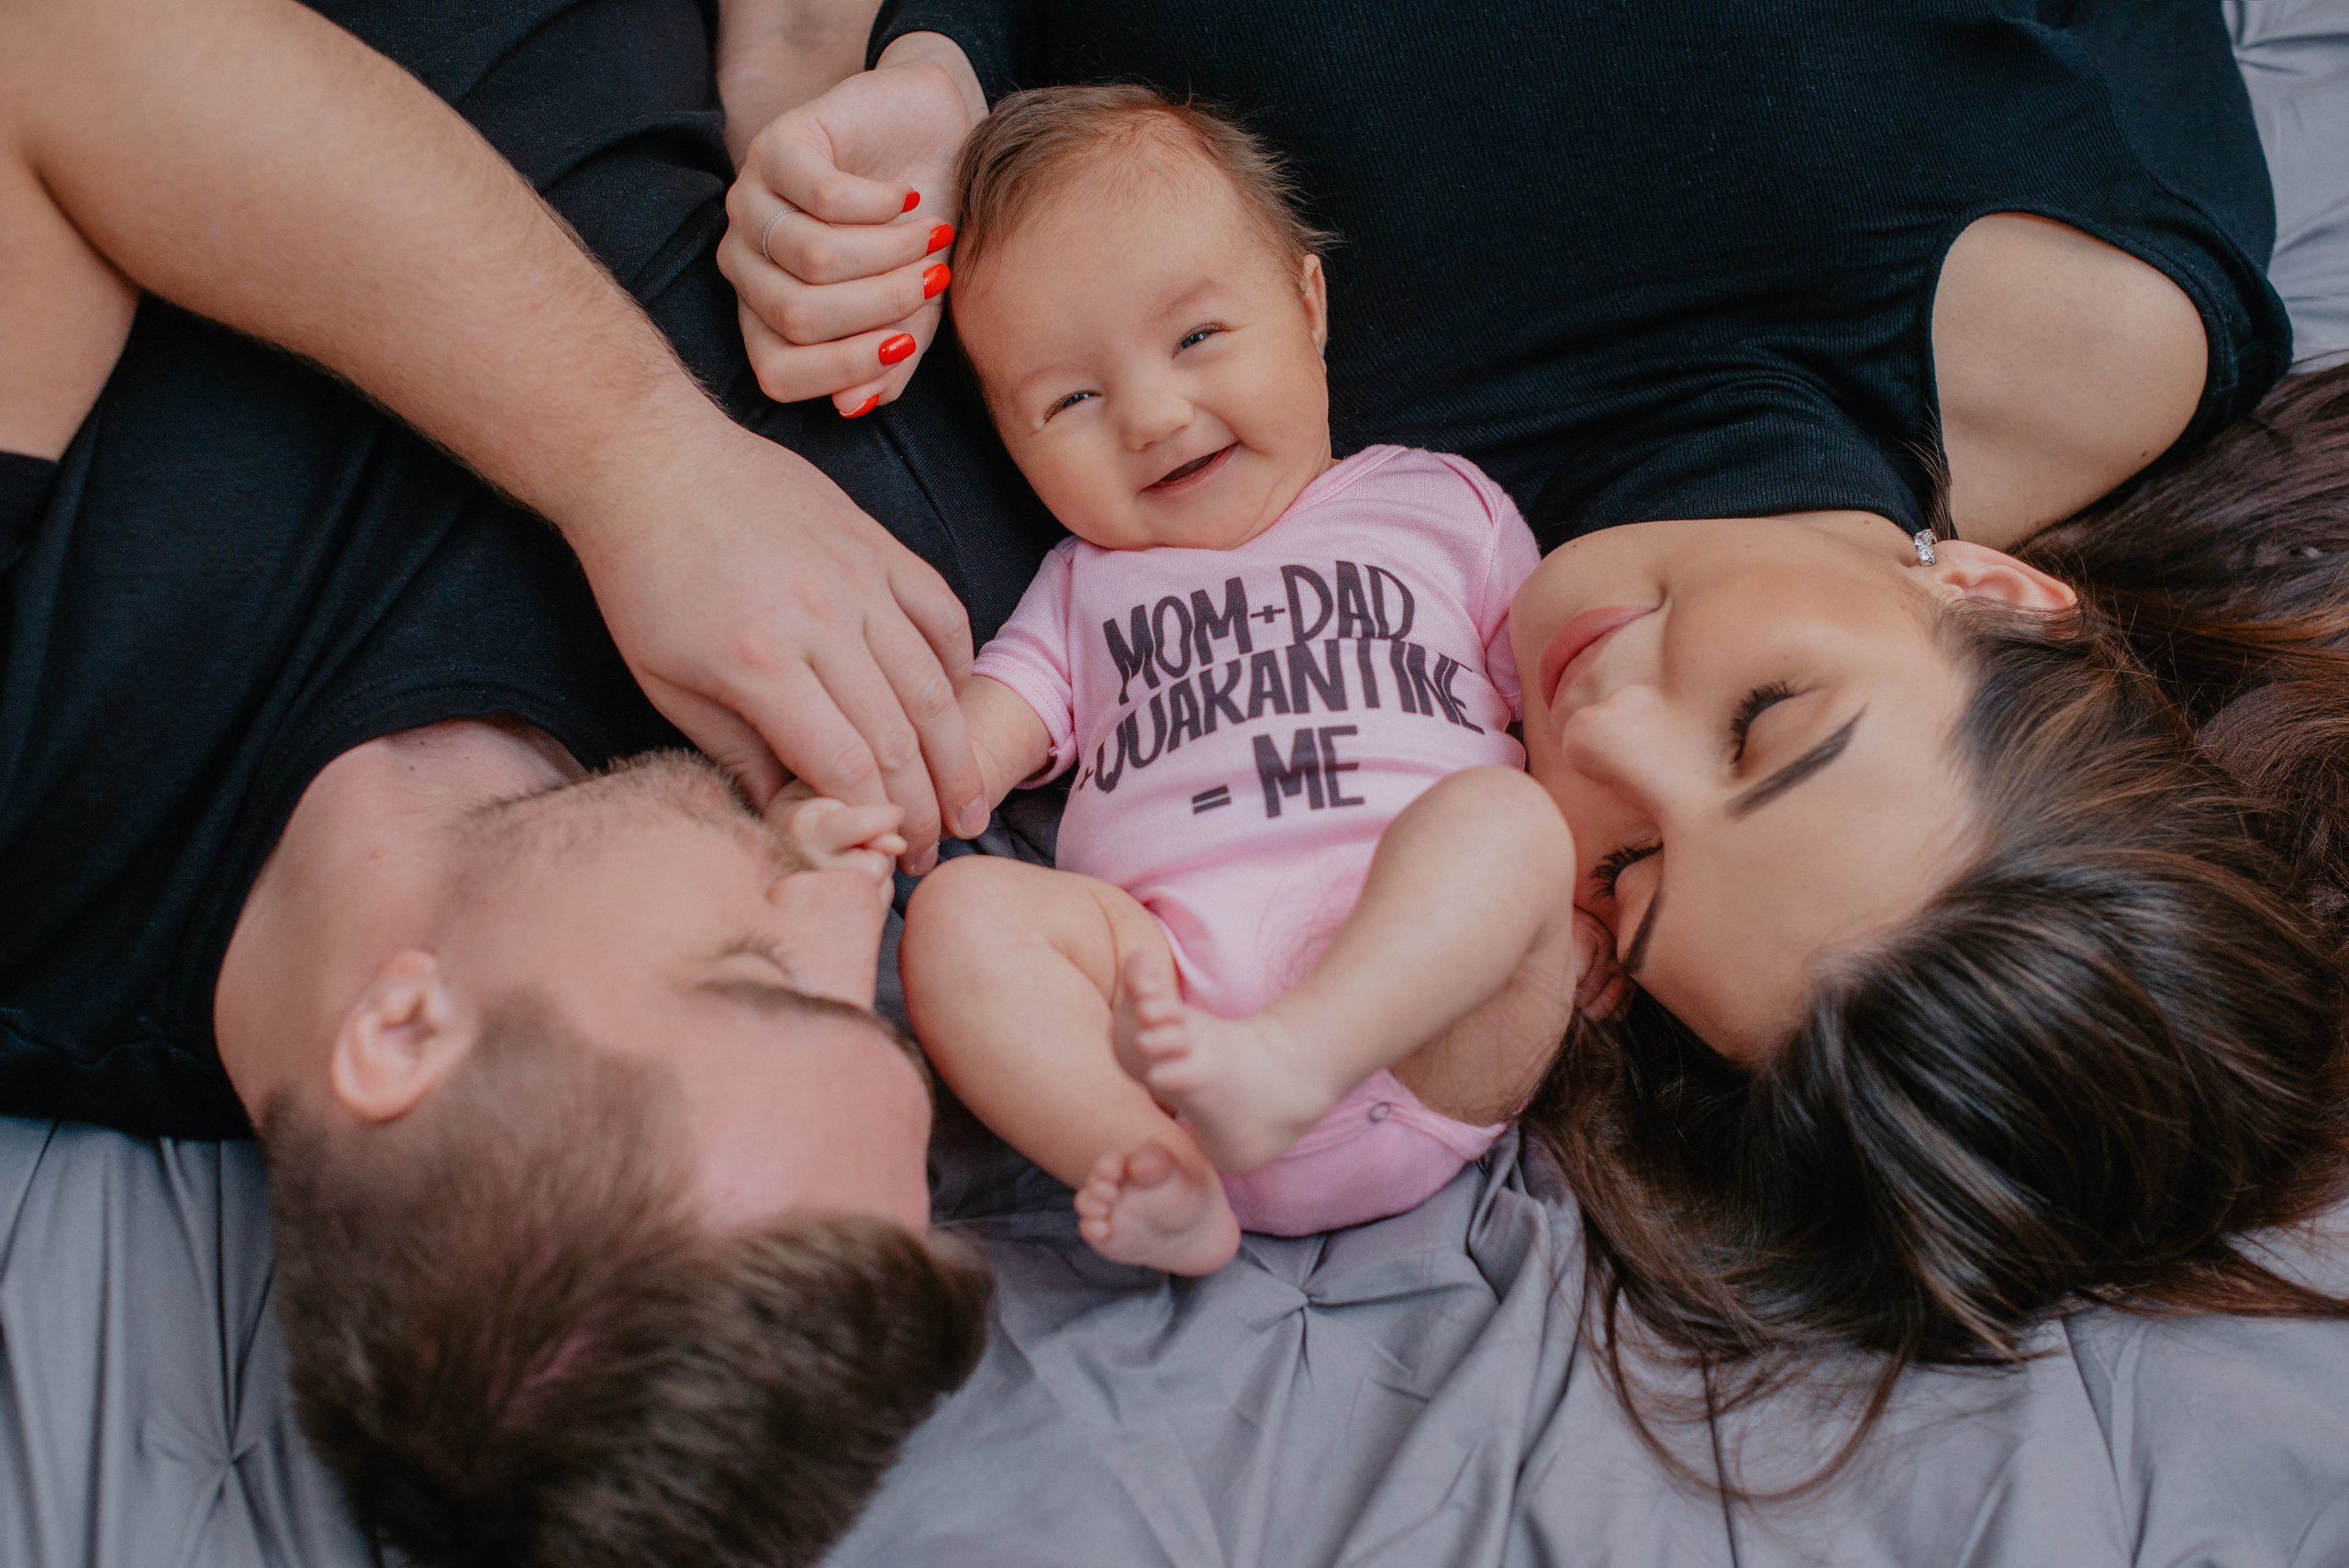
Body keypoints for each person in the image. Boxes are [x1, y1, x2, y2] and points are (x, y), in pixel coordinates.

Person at [720, 0, 2349, 1455]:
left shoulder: (1216, 498)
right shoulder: (2110, 321)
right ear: (1999, 592)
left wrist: (930, 82)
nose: (1604, 722)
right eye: (1769, 722)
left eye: (1630, 870)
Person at [3, 0, 1019, 1561]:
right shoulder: (907, 662)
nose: (857, 863)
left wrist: (642, 466)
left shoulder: (35, 814)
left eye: (759, 973)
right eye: (871, 1001)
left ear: (405, 1029)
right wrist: (926, 94)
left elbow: (58, 49)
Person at [832, 86, 1596, 1277]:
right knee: (962, 917)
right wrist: (862, 808)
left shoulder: (1441, 507)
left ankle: (1295, 1059)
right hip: (1174, 1028)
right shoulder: (1084, 588)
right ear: (1008, 438)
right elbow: (964, 754)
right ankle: (1140, 1162)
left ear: (1307, 304)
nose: (1152, 414)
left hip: (1430, 1017)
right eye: (1070, 400)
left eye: (1197, 338)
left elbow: (1566, 714)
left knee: (1512, 822)